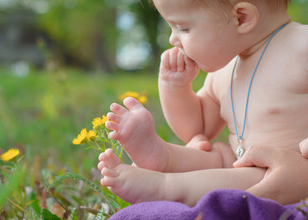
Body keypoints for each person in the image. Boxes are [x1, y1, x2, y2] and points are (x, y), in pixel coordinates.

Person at [97, 0, 308, 206]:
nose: (172, 39)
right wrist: (175, 87)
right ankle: (163, 157)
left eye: (183, 28)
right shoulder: (225, 72)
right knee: (213, 153)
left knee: (256, 176)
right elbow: (198, 128)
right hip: (238, 163)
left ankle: (165, 188)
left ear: (241, 18)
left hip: (291, 170)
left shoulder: (301, 46)